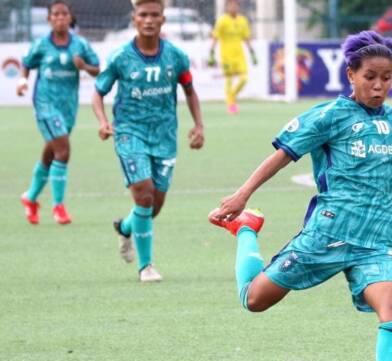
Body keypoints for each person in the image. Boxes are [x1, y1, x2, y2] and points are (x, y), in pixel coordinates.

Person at [209, 30, 392, 361]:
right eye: (370, 76)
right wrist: (242, 196)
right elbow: (283, 154)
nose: (379, 85)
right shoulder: (330, 115)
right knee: (255, 299)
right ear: (351, 74)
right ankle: (246, 229)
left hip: (376, 240)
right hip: (328, 234)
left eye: (386, 77)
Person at [92, 0, 204, 282]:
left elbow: (189, 90)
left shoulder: (176, 56)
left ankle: (126, 228)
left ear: (163, 19)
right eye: (143, 14)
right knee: (143, 194)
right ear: (134, 19)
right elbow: (97, 92)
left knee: (153, 206)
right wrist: (103, 122)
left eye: (155, 14)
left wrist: (198, 125)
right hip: (130, 134)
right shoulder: (120, 57)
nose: (149, 20)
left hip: (165, 137)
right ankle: (146, 266)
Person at [17, 0, 100, 225]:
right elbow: (26, 63)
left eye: (64, 14)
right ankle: (59, 207)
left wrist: (84, 67)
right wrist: (23, 81)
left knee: (52, 152)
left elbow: (97, 69)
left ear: (70, 18)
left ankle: (30, 197)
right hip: (45, 104)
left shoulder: (80, 45)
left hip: (68, 107)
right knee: (63, 150)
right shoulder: (42, 44)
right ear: (49, 19)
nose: (60, 18)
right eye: (56, 14)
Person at [209, 0, 257, 114]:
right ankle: (231, 105)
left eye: (235, 5)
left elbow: (246, 37)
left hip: (239, 55)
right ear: (227, 7)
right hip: (226, 56)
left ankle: (231, 97)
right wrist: (211, 53)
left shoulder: (242, 20)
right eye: (230, 5)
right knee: (229, 80)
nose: (233, 7)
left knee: (244, 79)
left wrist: (252, 52)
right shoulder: (222, 21)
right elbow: (215, 37)